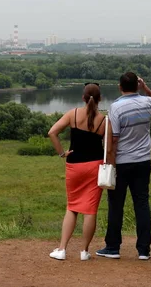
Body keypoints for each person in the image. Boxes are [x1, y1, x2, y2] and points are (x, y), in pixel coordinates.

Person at [96, 72, 151, 261]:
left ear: (120, 87)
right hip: (143, 161)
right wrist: (146, 88)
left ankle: (113, 247)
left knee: (116, 205)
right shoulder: (147, 103)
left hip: (123, 163)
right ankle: (144, 250)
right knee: (142, 204)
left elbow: (114, 140)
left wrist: (110, 164)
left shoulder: (115, 108)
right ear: (137, 85)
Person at [47, 83, 108, 261]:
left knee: (72, 207)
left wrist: (62, 153)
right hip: (95, 167)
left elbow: (52, 132)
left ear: (83, 98)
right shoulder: (104, 121)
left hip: (74, 165)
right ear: (100, 99)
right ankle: (84, 252)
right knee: (90, 210)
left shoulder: (72, 114)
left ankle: (62, 249)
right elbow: (109, 147)